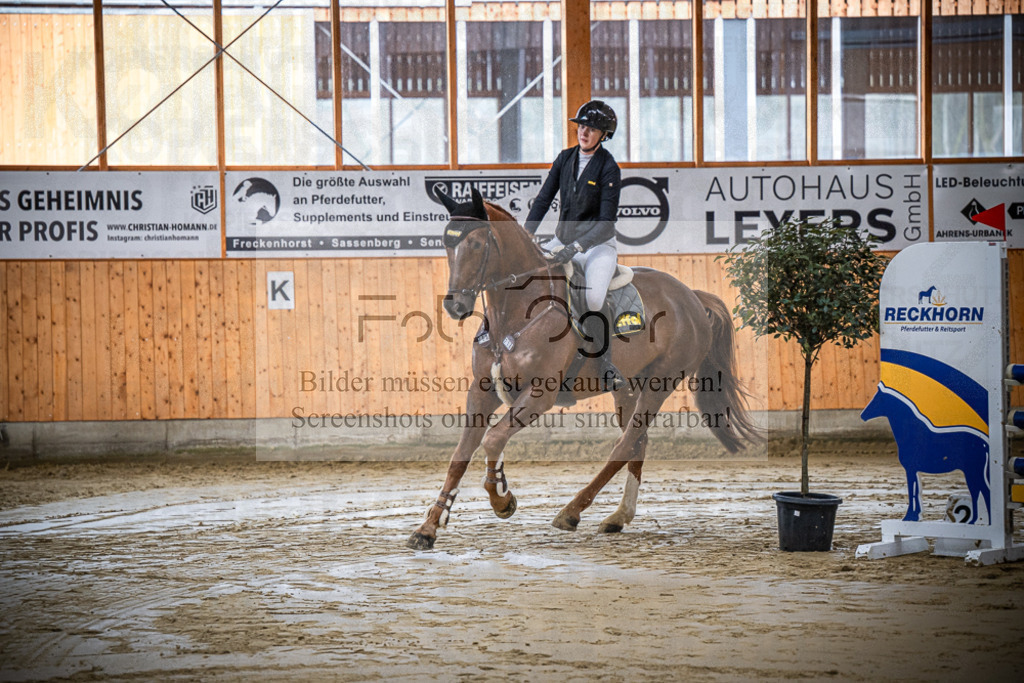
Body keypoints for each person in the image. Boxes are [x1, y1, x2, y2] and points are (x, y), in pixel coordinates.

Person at [524, 99, 625, 391]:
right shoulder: (564, 158)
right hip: (563, 240)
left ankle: (605, 365)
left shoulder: (609, 168)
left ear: (604, 135)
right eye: (582, 126)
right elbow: (543, 200)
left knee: (593, 300)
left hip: (597, 247)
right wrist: (526, 234)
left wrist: (578, 246)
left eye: (592, 129)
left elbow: (606, 222)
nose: (584, 132)